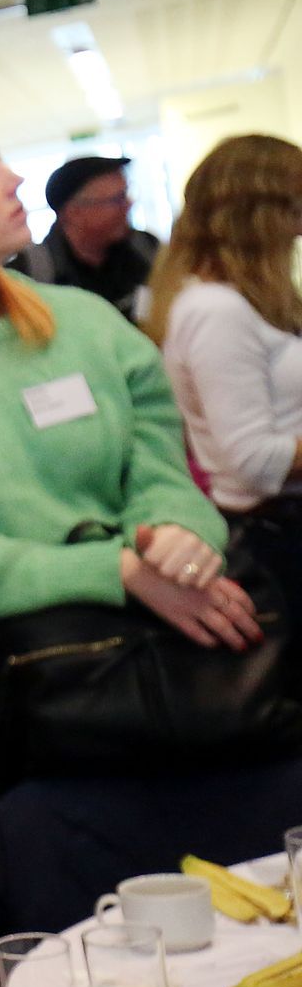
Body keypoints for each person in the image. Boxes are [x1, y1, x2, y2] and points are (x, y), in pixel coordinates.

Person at [0, 119, 250, 980]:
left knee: (162, 899)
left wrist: (177, 536)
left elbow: (163, 464)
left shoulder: (84, 324)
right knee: (17, 929)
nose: (13, 180)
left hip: (124, 663)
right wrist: (118, 569)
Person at [147, 133, 302, 625]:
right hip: (278, 536)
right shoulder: (216, 310)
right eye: (296, 208)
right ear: (262, 214)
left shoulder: (249, 300)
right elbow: (255, 460)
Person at [9, 154, 160, 320]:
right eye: (117, 199)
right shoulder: (29, 275)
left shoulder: (147, 248)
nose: (129, 205)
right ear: (73, 213)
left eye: (126, 193)